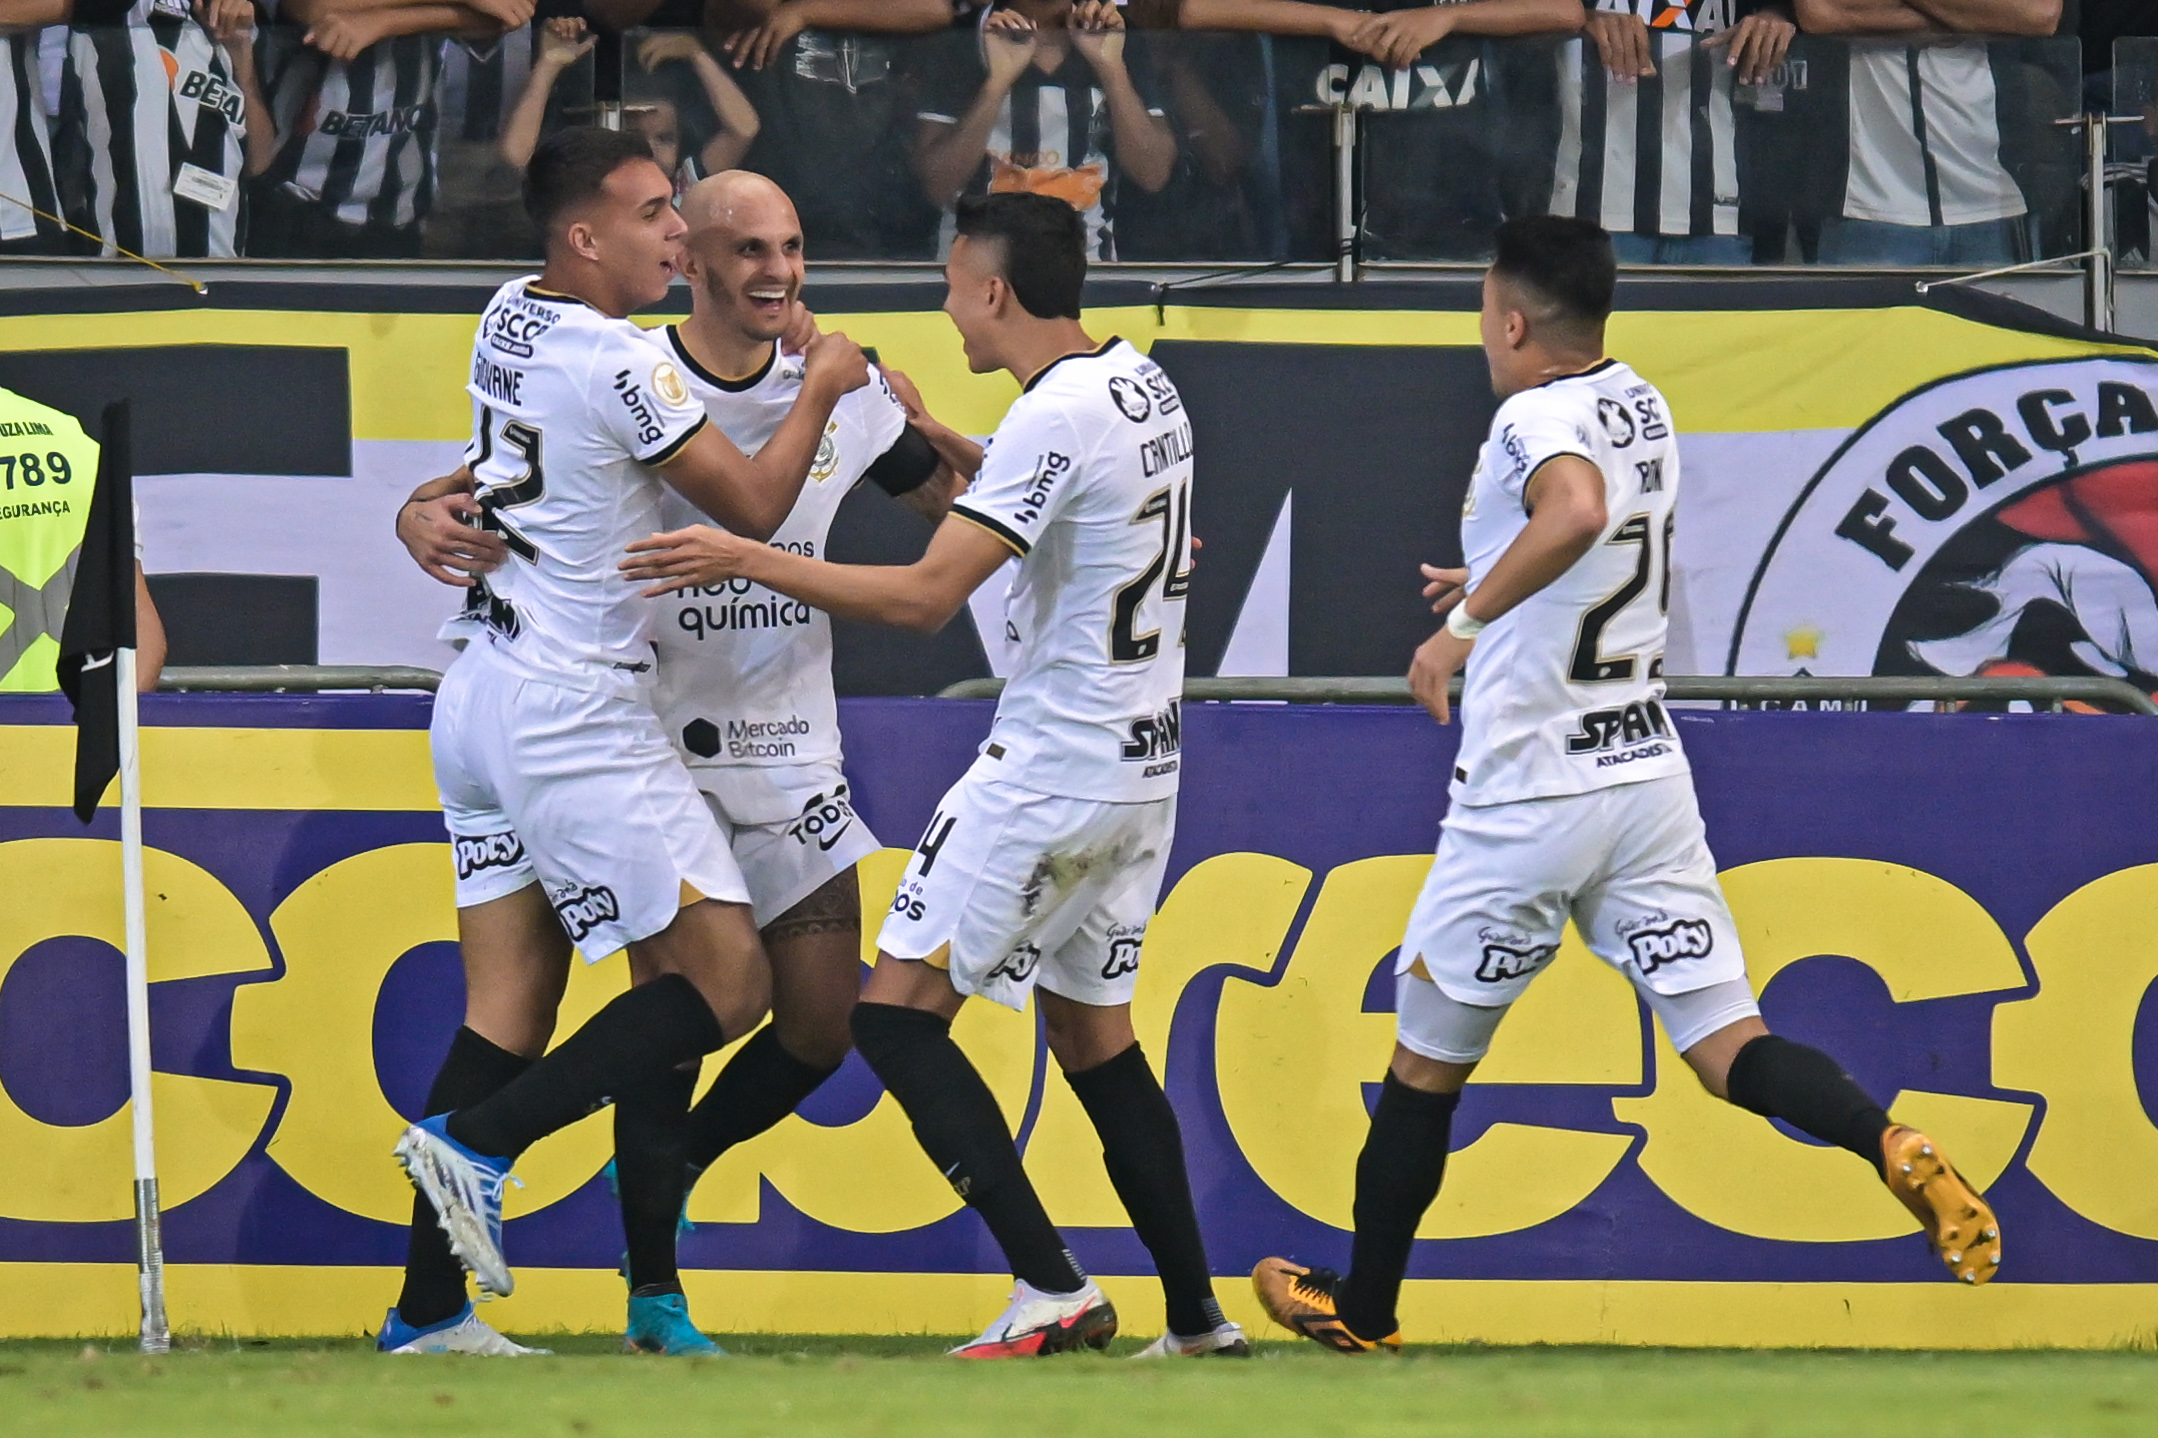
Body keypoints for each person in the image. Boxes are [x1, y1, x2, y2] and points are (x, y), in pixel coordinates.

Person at [1250, 215, 2002, 1353]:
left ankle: (1365, 1308)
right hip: (1642, 777)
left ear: (1511, 322)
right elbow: (1593, 532)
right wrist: (1498, 572)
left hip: (1527, 796)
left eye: (1483, 317)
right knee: (1726, 1041)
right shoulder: (1636, 398)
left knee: (1421, 1074)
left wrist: (1458, 626)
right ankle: (1885, 1139)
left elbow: (1578, 512)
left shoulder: (1528, 416)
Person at [620, 190, 1242, 1361]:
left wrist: (743, 550)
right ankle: (1199, 1318)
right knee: (1097, 1040)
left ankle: (1051, 1286)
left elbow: (920, 598)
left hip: (1048, 769)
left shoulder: (1054, 417)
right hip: (1142, 767)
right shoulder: (1136, 385)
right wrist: (942, 433)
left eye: (955, 281)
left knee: (895, 1022)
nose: (946, 302)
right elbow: (1048, 482)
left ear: (995, 290)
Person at [397, 167, 969, 1356]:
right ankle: (560, 1215)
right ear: (689, 265)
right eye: (730, 244)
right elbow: (745, 506)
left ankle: (430, 1303)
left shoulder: (530, 315)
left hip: (723, 741)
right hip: (613, 723)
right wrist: (416, 506)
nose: (777, 272)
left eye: (794, 247)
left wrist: (970, 448)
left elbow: (955, 506)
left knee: (775, 1023)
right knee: (700, 995)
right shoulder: (637, 365)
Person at [248, 0, 532, 258]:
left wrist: (383, 23)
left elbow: (509, 14)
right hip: (295, 200)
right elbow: (309, 8)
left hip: (397, 210)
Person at [1793, 0, 2065, 267]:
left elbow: (2041, 12)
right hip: (1869, 207)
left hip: (1994, 203)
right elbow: (1819, 10)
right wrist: (1973, 17)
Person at [915, 0, 1177, 261]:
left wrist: (1111, 69)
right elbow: (938, 185)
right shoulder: (961, 38)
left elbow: (1152, 174)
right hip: (975, 268)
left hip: (1085, 266)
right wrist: (998, 82)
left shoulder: (1116, 34)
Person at [1553, 0, 1796, 265]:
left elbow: (1776, 11)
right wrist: (1580, 19)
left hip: (1720, 210)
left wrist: (1774, 18)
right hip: (1592, 210)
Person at [52, 0, 274, 259]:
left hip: (220, 272)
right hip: (114, 273)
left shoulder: (230, 17)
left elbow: (259, 161)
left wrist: (241, 52)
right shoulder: (92, 16)